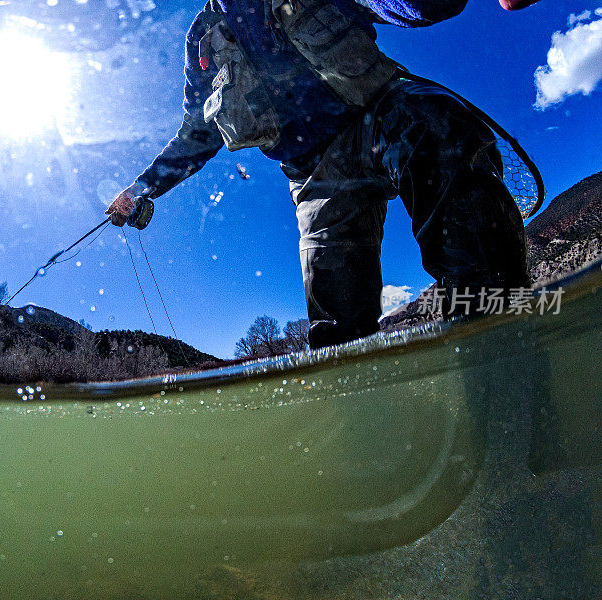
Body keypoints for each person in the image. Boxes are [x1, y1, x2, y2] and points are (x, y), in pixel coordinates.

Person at [105, 0, 529, 349]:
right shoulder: (202, 37)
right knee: (337, 327)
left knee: (435, 124)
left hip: (380, 111)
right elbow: (198, 131)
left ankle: (499, 328)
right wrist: (141, 188)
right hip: (314, 175)